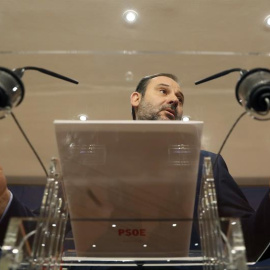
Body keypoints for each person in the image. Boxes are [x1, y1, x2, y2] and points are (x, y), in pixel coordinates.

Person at [0, 73, 270, 264]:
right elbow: (40, 237)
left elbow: (250, 242)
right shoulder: (86, 163)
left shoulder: (209, 164)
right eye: (164, 91)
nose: (175, 99)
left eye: (179, 97)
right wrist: (3, 201)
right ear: (136, 98)